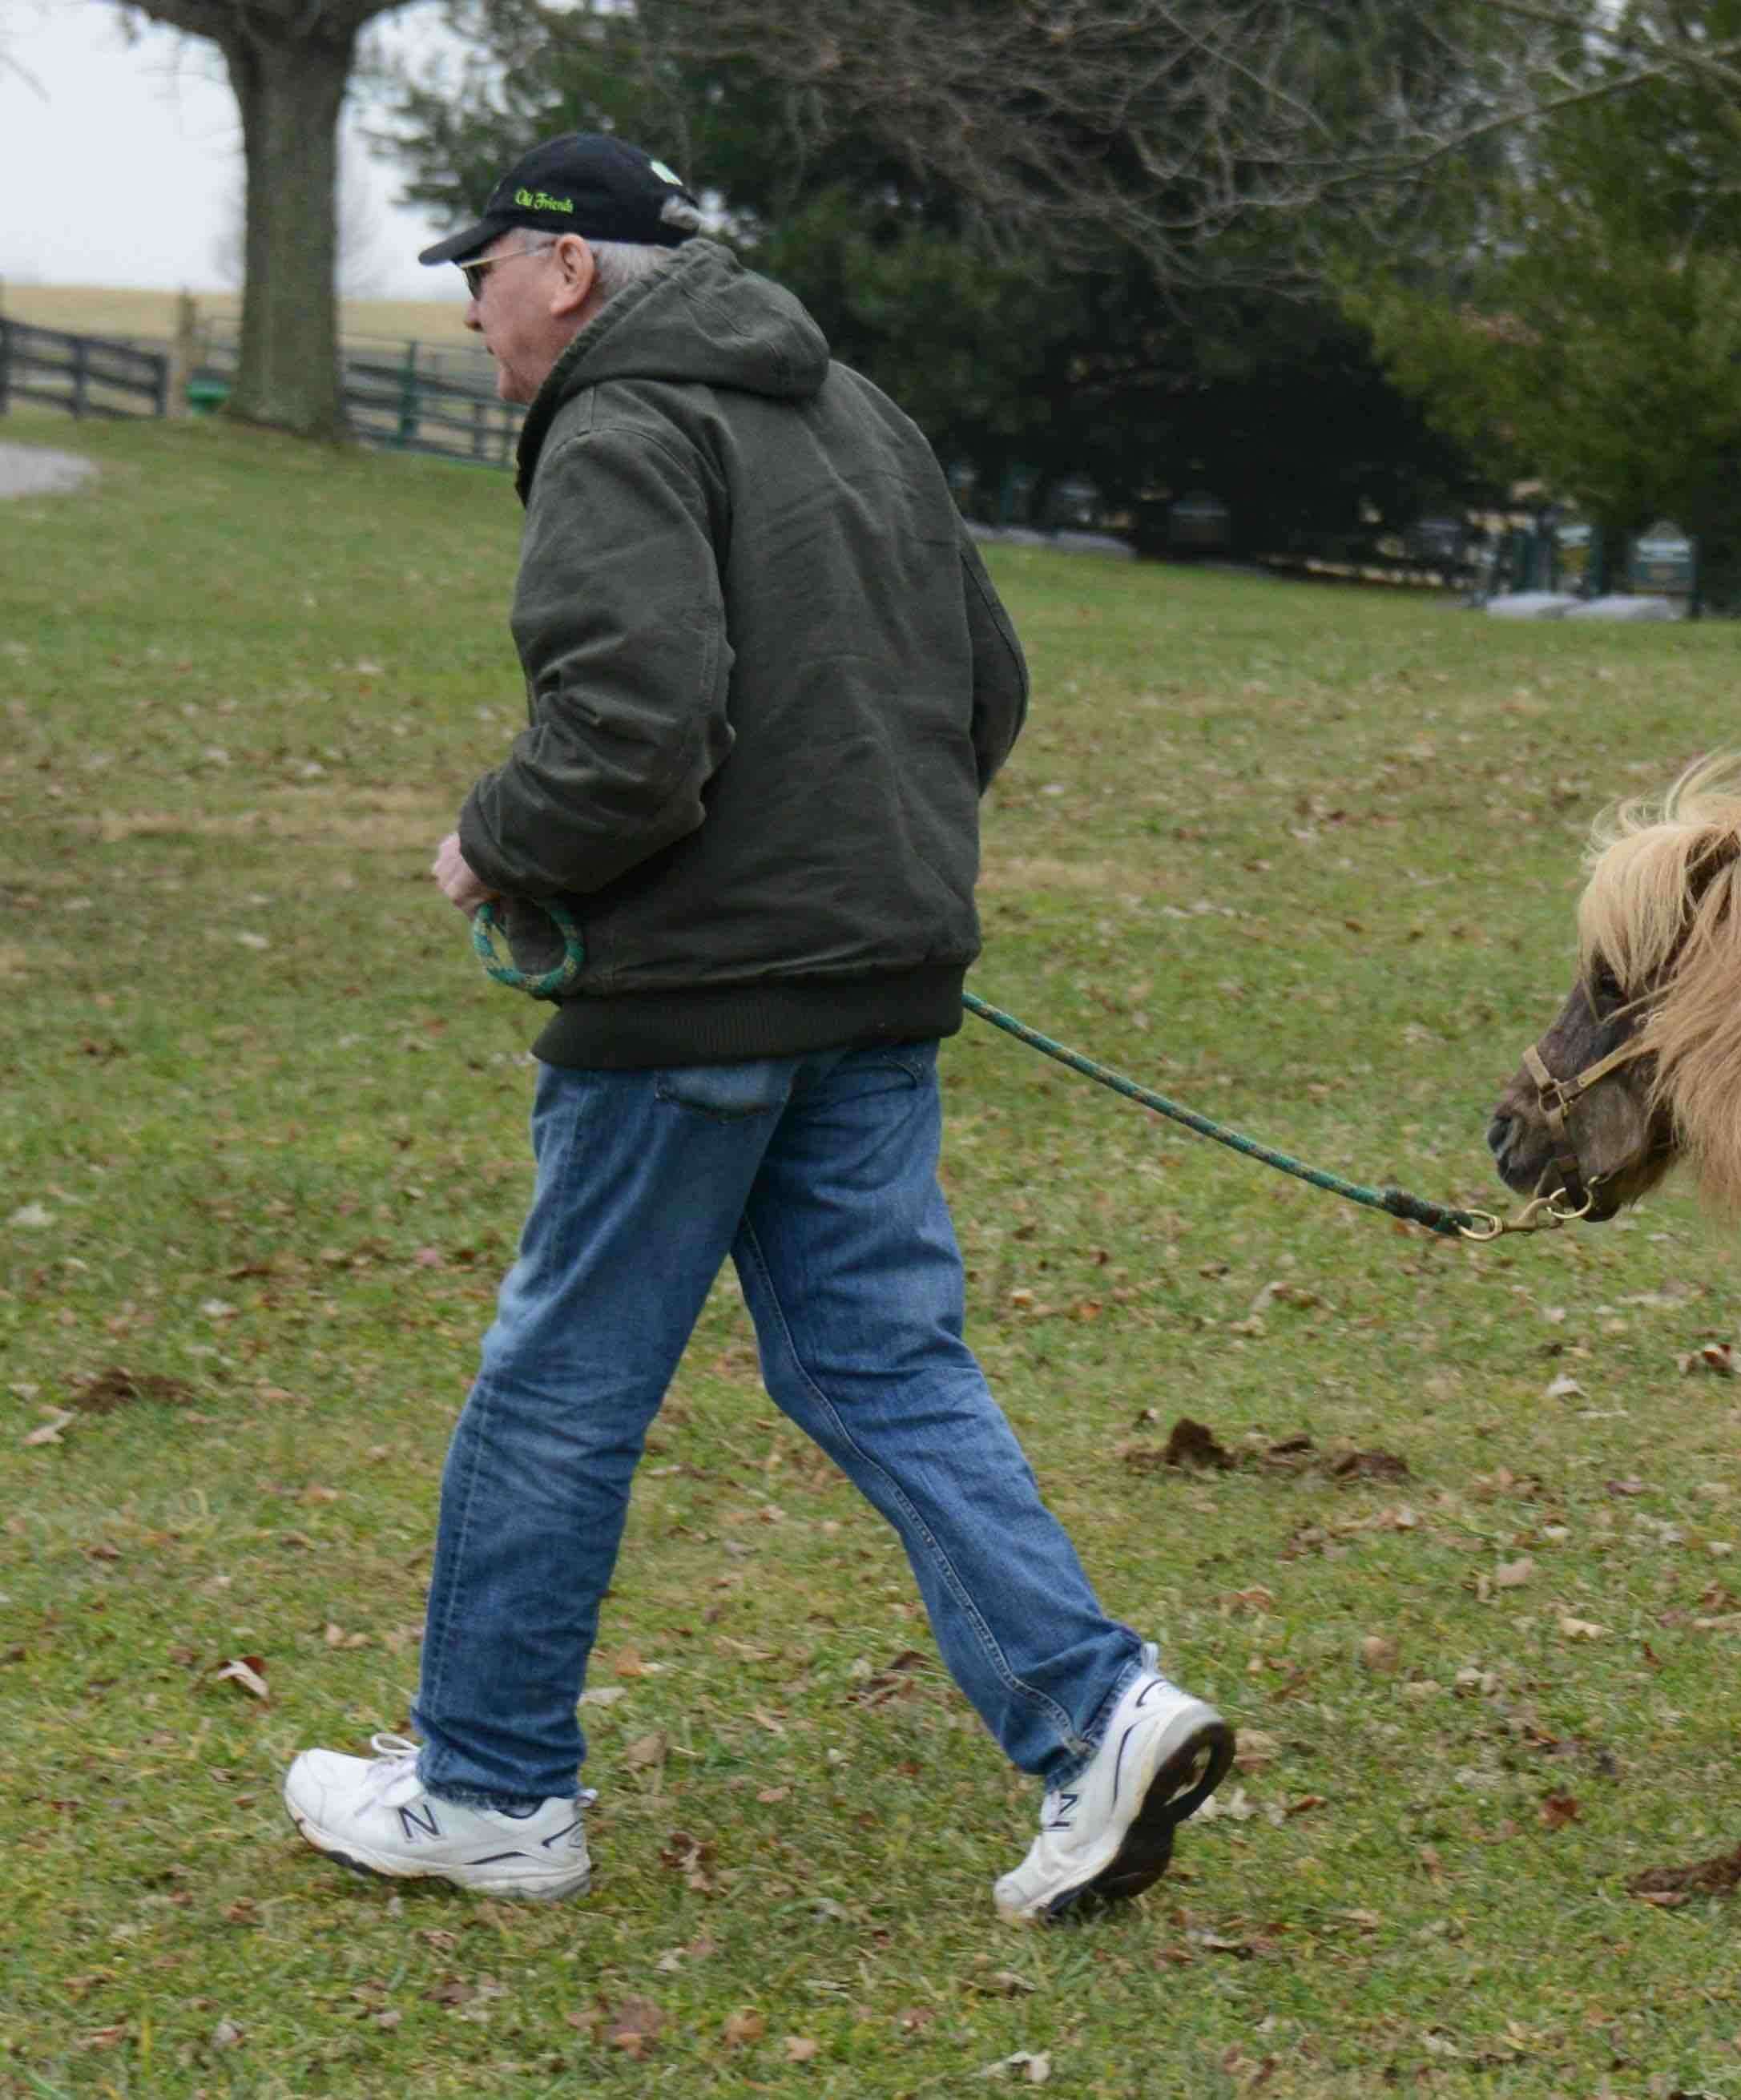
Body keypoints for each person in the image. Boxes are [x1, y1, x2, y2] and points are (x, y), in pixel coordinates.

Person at [280, 133, 1231, 1922]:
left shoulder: (619, 423)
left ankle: (487, 1792)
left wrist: (494, 844)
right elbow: (986, 686)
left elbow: (629, 729)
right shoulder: (854, 406)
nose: (472, 311)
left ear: (565, 271)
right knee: (881, 1365)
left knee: (559, 1385)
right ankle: (1101, 1713)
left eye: (479, 272)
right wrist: (857, 866)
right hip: (875, 984)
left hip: (699, 1006)